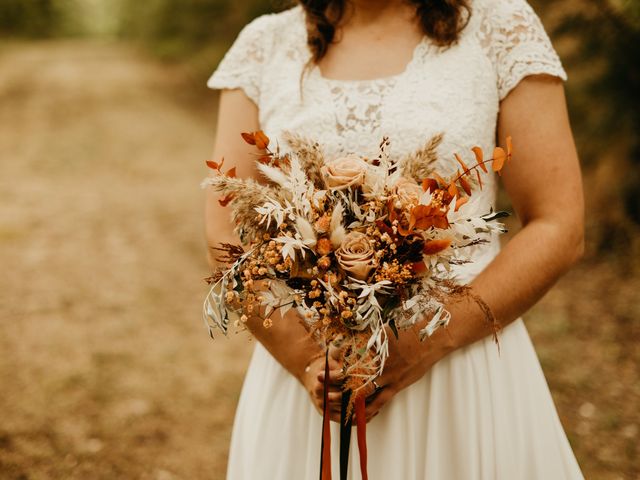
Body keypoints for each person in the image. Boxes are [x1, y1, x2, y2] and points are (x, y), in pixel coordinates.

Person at [204, 0, 585, 478]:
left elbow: (558, 225)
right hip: (314, 375)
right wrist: (306, 362)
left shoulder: (502, 27)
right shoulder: (264, 43)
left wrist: (423, 345)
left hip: (459, 372)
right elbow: (226, 232)